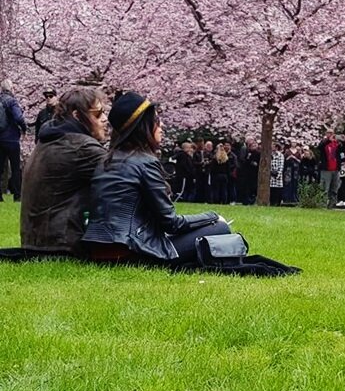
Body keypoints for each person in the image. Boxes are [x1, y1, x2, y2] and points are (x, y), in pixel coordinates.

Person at [82, 92, 232, 264]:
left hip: (98, 248)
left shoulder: (105, 161)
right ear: (144, 127)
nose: (161, 127)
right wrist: (212, 216)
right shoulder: (145, 162)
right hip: (132, 250)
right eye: (157, 121)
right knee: (220, 227)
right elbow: (171, 223)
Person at [20, 87, 108, 254]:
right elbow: (129, 178)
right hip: (63, 245)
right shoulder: (82, 147)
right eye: (98, 113)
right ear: (77, 116)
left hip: (35, 243)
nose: (104, 119)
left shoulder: (47, 142)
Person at [0, 80, 28, 202]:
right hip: (11, 139)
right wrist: (24, 128)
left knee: (0, 168)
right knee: (15, 168)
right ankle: (17, 195)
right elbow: (18, 117)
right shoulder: (12, 101)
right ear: (11, 88)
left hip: (0, 139)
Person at [318, 130, 342, 208]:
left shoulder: (337, 143)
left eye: (332, 133)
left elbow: (344, 150)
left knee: (334, 188)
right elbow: (320, 147)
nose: (331, 134)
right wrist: (328, 140)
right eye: (329, 133)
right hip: (326, 169)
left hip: (335, 169)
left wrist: (344, 141)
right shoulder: (324, 142)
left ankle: (332, 204)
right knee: (325, 188)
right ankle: (322, 203)